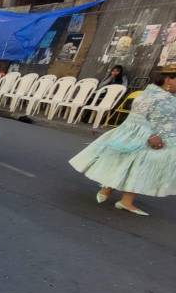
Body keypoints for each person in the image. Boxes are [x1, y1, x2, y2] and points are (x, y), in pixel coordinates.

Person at [69, 65, 176, 216]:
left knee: (132, 164)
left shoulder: (169, 96)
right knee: (137, 166)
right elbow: (136, 117)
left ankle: (114, 193)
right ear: (168, 79)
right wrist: (150, 136)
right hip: (147, 137)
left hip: (163, 138)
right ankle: (120, 197)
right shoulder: (152, 95)